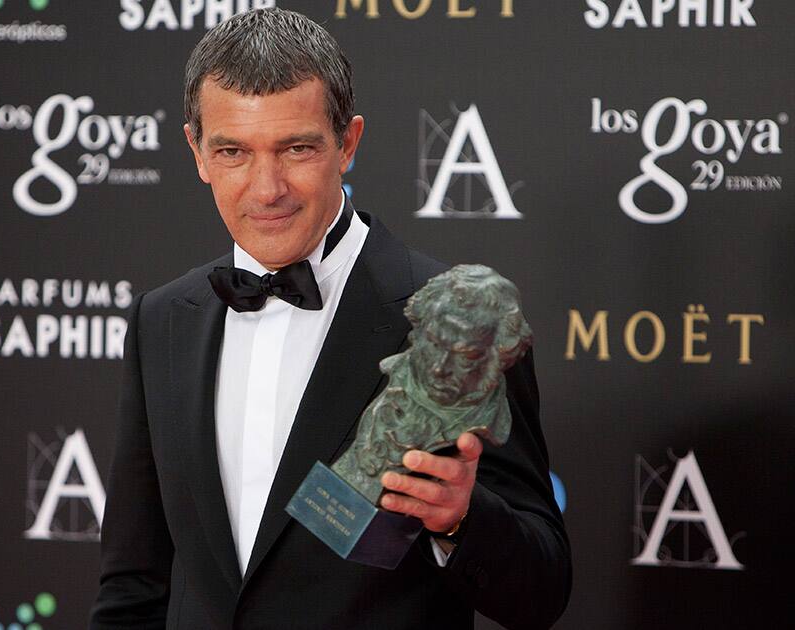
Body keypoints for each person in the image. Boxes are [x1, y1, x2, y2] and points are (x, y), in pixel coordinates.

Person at [91, 8, 570, 630]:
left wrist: (460, 518)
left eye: (296, 148)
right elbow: (135, 582)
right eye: (233, 151)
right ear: (197, 151)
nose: (266, 189)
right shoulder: (163, 321)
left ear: (348, 143)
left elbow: (542, 591)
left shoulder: (453, 321)